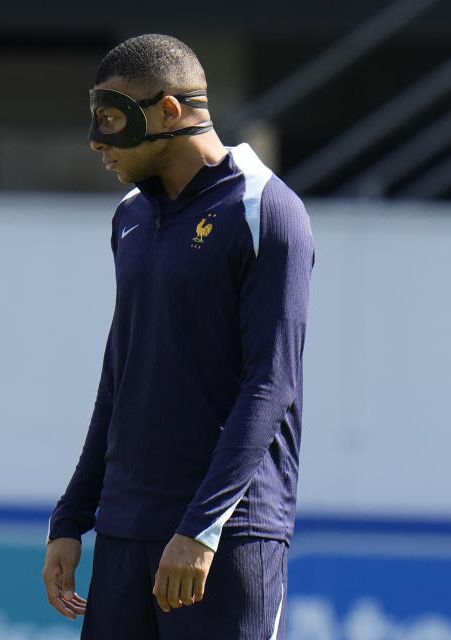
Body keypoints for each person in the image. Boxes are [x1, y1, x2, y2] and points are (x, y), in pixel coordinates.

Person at [41, 34, 313, 639]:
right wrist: (72, 517)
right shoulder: (130, 217)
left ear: (169, 112)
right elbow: (120, 375)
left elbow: (270, 386)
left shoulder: (266, 209)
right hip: (123, 531)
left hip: (226, 541)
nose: (97, 141)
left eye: (113, 120)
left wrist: (201, 527)